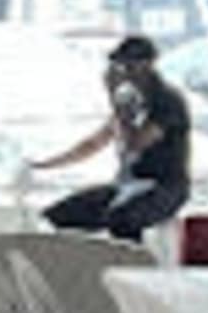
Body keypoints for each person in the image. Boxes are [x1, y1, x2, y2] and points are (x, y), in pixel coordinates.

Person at [25, 33, 194, 239]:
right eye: (121, 66)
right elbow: (94, 143)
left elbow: (136, 143)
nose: (125, 72)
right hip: (127, 185)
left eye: (130, 65)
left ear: (149, 64)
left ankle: (131, 258)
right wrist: (45, 165)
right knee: (56, 216)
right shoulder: (131, 100)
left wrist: (114, 99)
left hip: (166, 187)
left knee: (123, 219)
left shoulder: (168, 101)